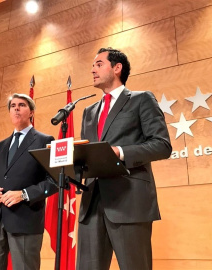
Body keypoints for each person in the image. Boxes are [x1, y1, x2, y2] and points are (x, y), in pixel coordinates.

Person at [76, 47, 172, 270]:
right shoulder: (88, 111)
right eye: (92, 65)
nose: (92, 70)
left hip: (129, 200)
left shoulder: (141, 100)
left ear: (117, 68)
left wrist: (121, 152)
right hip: (91, 204)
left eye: (99, 64)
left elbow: (162, 145)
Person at [0, 93, 58, 270]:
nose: (16, 108)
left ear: (31, 112)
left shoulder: (45, 140)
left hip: (25, 220)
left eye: (21, 105)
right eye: (12, 105)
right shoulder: (1, 145)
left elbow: (54, 181)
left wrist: (24, 194)